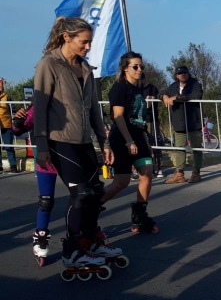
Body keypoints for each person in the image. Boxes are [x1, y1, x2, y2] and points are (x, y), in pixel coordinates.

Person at [32, 16, 122, 269]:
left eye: (90, 42)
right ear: (67, 38)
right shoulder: (49, 64)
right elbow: (40, 107)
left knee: (95, 193)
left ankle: (92, 242)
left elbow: (94, 110)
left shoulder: (86, 69)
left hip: (83, 141)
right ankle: (72, 250)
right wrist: (41, 147)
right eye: (84, 42)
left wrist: (104, 142)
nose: (88, 46)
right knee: (81, 195)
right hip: (59, 141)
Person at [99, 52, 159, 234]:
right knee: (121, 183)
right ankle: (90, 209)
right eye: (135, 66)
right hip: (122, 138)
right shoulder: (119, 88)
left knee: (147, 172)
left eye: (141, 66)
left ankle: (140, 214)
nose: (139, 70)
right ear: (125, 68)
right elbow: (117, 116)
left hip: (138, 137)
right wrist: (128, 141)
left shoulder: (139, 88)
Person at [12, 104, 59, 263]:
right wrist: (18, 121)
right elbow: (19, 130)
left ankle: (85, 234)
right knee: (46, 201)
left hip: (70, 158)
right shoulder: (40, 104)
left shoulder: (73, 98)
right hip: (48, 159)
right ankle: (40, 236)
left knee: (83, 196)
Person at [161, 65, 203, 183]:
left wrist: (177, 97)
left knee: (196, 148)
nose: (182, 75)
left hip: (194, 122)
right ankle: (179, 174)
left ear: (188, 74)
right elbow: (162, 92)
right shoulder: (173, 86)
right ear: (176, 76)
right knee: (179, 148)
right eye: (180, 73)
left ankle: (196, 173)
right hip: (179, 123)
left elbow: (196, 95)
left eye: (185, 72)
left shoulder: (195, 84)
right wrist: (164, 96)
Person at [142, 72, 164, 178]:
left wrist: (150, 101)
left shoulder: (152, 88)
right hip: (138, 120)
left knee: (155, 143)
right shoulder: (133, 88)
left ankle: (159, 167)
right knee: (141, 144)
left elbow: (154, 101)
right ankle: (143, 169)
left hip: (151, 120)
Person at [0, 77, 18, 173]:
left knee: (9, 146)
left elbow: (13, 110)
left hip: (6, 125)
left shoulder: (7, 97)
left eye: (1, 83)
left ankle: (13, 165)